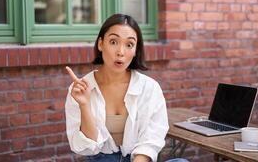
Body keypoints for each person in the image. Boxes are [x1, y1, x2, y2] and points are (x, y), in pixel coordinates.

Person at [65, 13, 188, 162]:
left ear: (136, 50)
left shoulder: (150, 88)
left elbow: (151, 140)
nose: (121, 52)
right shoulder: (79, 89)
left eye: (129, 44)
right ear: (100, 44)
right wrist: (84, 105)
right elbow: (87, 147)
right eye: (113, 42)